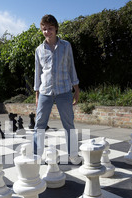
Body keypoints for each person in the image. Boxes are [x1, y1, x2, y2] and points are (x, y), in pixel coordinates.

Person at [34, 14, 82, 165]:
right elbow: (38, 72)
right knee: (39, 124)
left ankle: (73, 155)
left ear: (56, 29)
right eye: (44, 29)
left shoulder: (66, 46)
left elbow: (71, 67)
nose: (47, 32)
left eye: (50, 28)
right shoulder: (39, 50)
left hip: (64, 91)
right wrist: (36, 94)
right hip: (45, 92)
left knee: (68, 123)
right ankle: (36, 156)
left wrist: (76, 89)